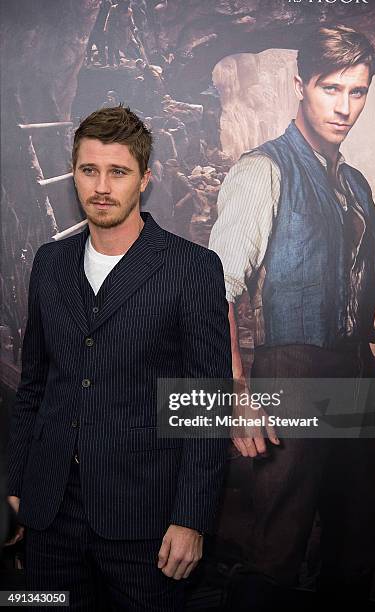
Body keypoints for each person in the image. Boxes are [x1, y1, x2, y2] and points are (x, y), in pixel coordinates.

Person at [6, 106, 232, 610]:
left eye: (118, 171)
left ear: (145, 179)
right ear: (74, 175)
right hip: (49, 515)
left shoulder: (191, 268)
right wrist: (17, 483)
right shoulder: (50, 263)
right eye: (89, 170)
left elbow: (207, 407)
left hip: (145, 521)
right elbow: (36, 385)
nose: (101, 186)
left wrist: (191, 518)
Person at [209, 25, 375, 608]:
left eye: (357, 92)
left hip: (351, 376)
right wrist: (238, 396)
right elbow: (212, 294)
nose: (344, 107)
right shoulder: (261, 171)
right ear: (300, 86)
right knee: (275, 549)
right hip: (287, 375)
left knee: (355, 546)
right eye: (330, 89)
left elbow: (355, 280)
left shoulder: (358, 185)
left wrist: (372, 383)